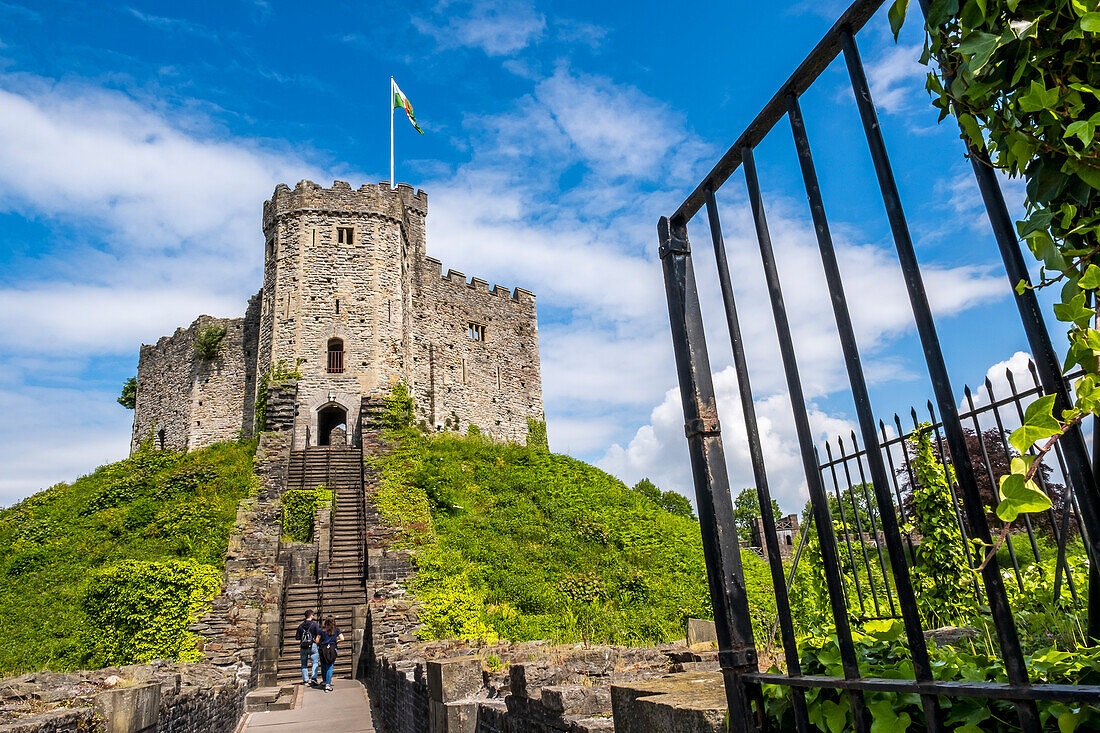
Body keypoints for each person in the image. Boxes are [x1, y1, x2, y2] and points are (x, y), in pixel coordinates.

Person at [317, 615, 344, 692]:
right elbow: (342, 638)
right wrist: (336, 642)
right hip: (332, 648)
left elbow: (317, 641)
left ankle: (324, 681)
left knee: (323, 665)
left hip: (323, 649)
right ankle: (328, 686)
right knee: (330, 666)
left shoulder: (322, 630)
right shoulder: (336, 630)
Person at [294, 610, 321, 686]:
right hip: (312, 645)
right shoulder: (315, 625)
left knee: (304, 664)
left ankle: (305, 680)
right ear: (311, 616)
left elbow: (297, 637)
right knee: (315, 662)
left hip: (303, 647)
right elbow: (318, 634)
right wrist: (316, 641)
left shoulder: (300, 626)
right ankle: (314, 678)